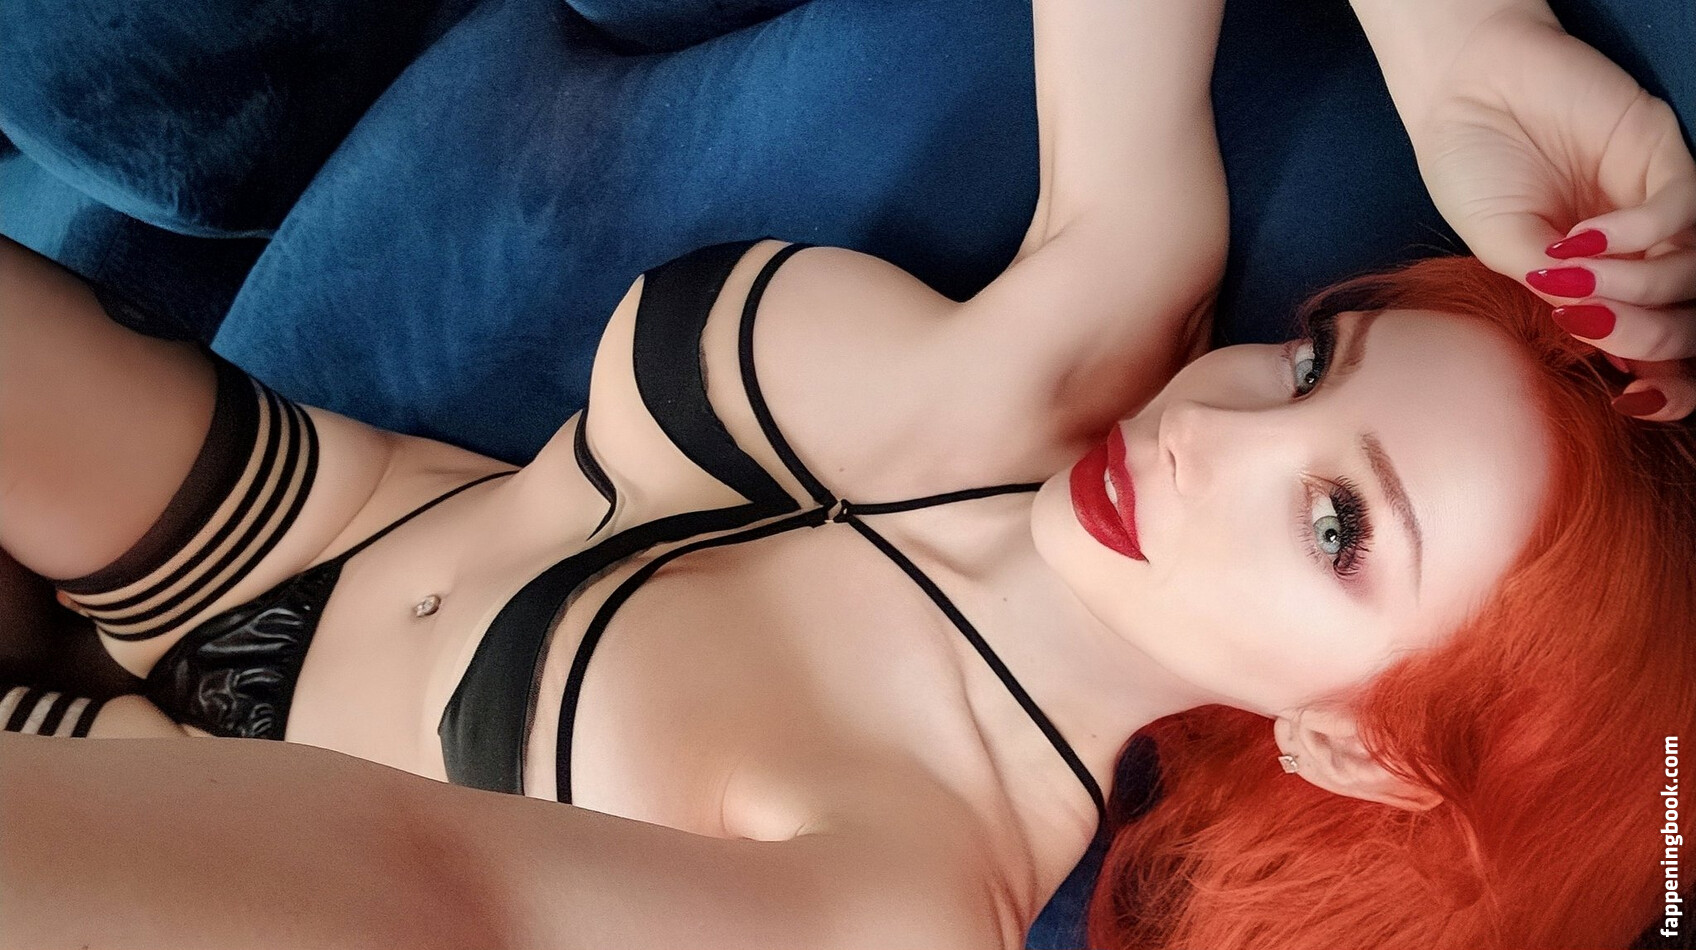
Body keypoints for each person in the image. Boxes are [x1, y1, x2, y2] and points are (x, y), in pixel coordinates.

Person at [1, 1, 1693, 949]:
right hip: (271, 512)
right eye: (1318, 360)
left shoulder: (907, 895)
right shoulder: (1112, 292)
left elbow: (449, 899)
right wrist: (1457, 42)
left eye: (1336, 524)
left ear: (1353, 746)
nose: (1217, 428)